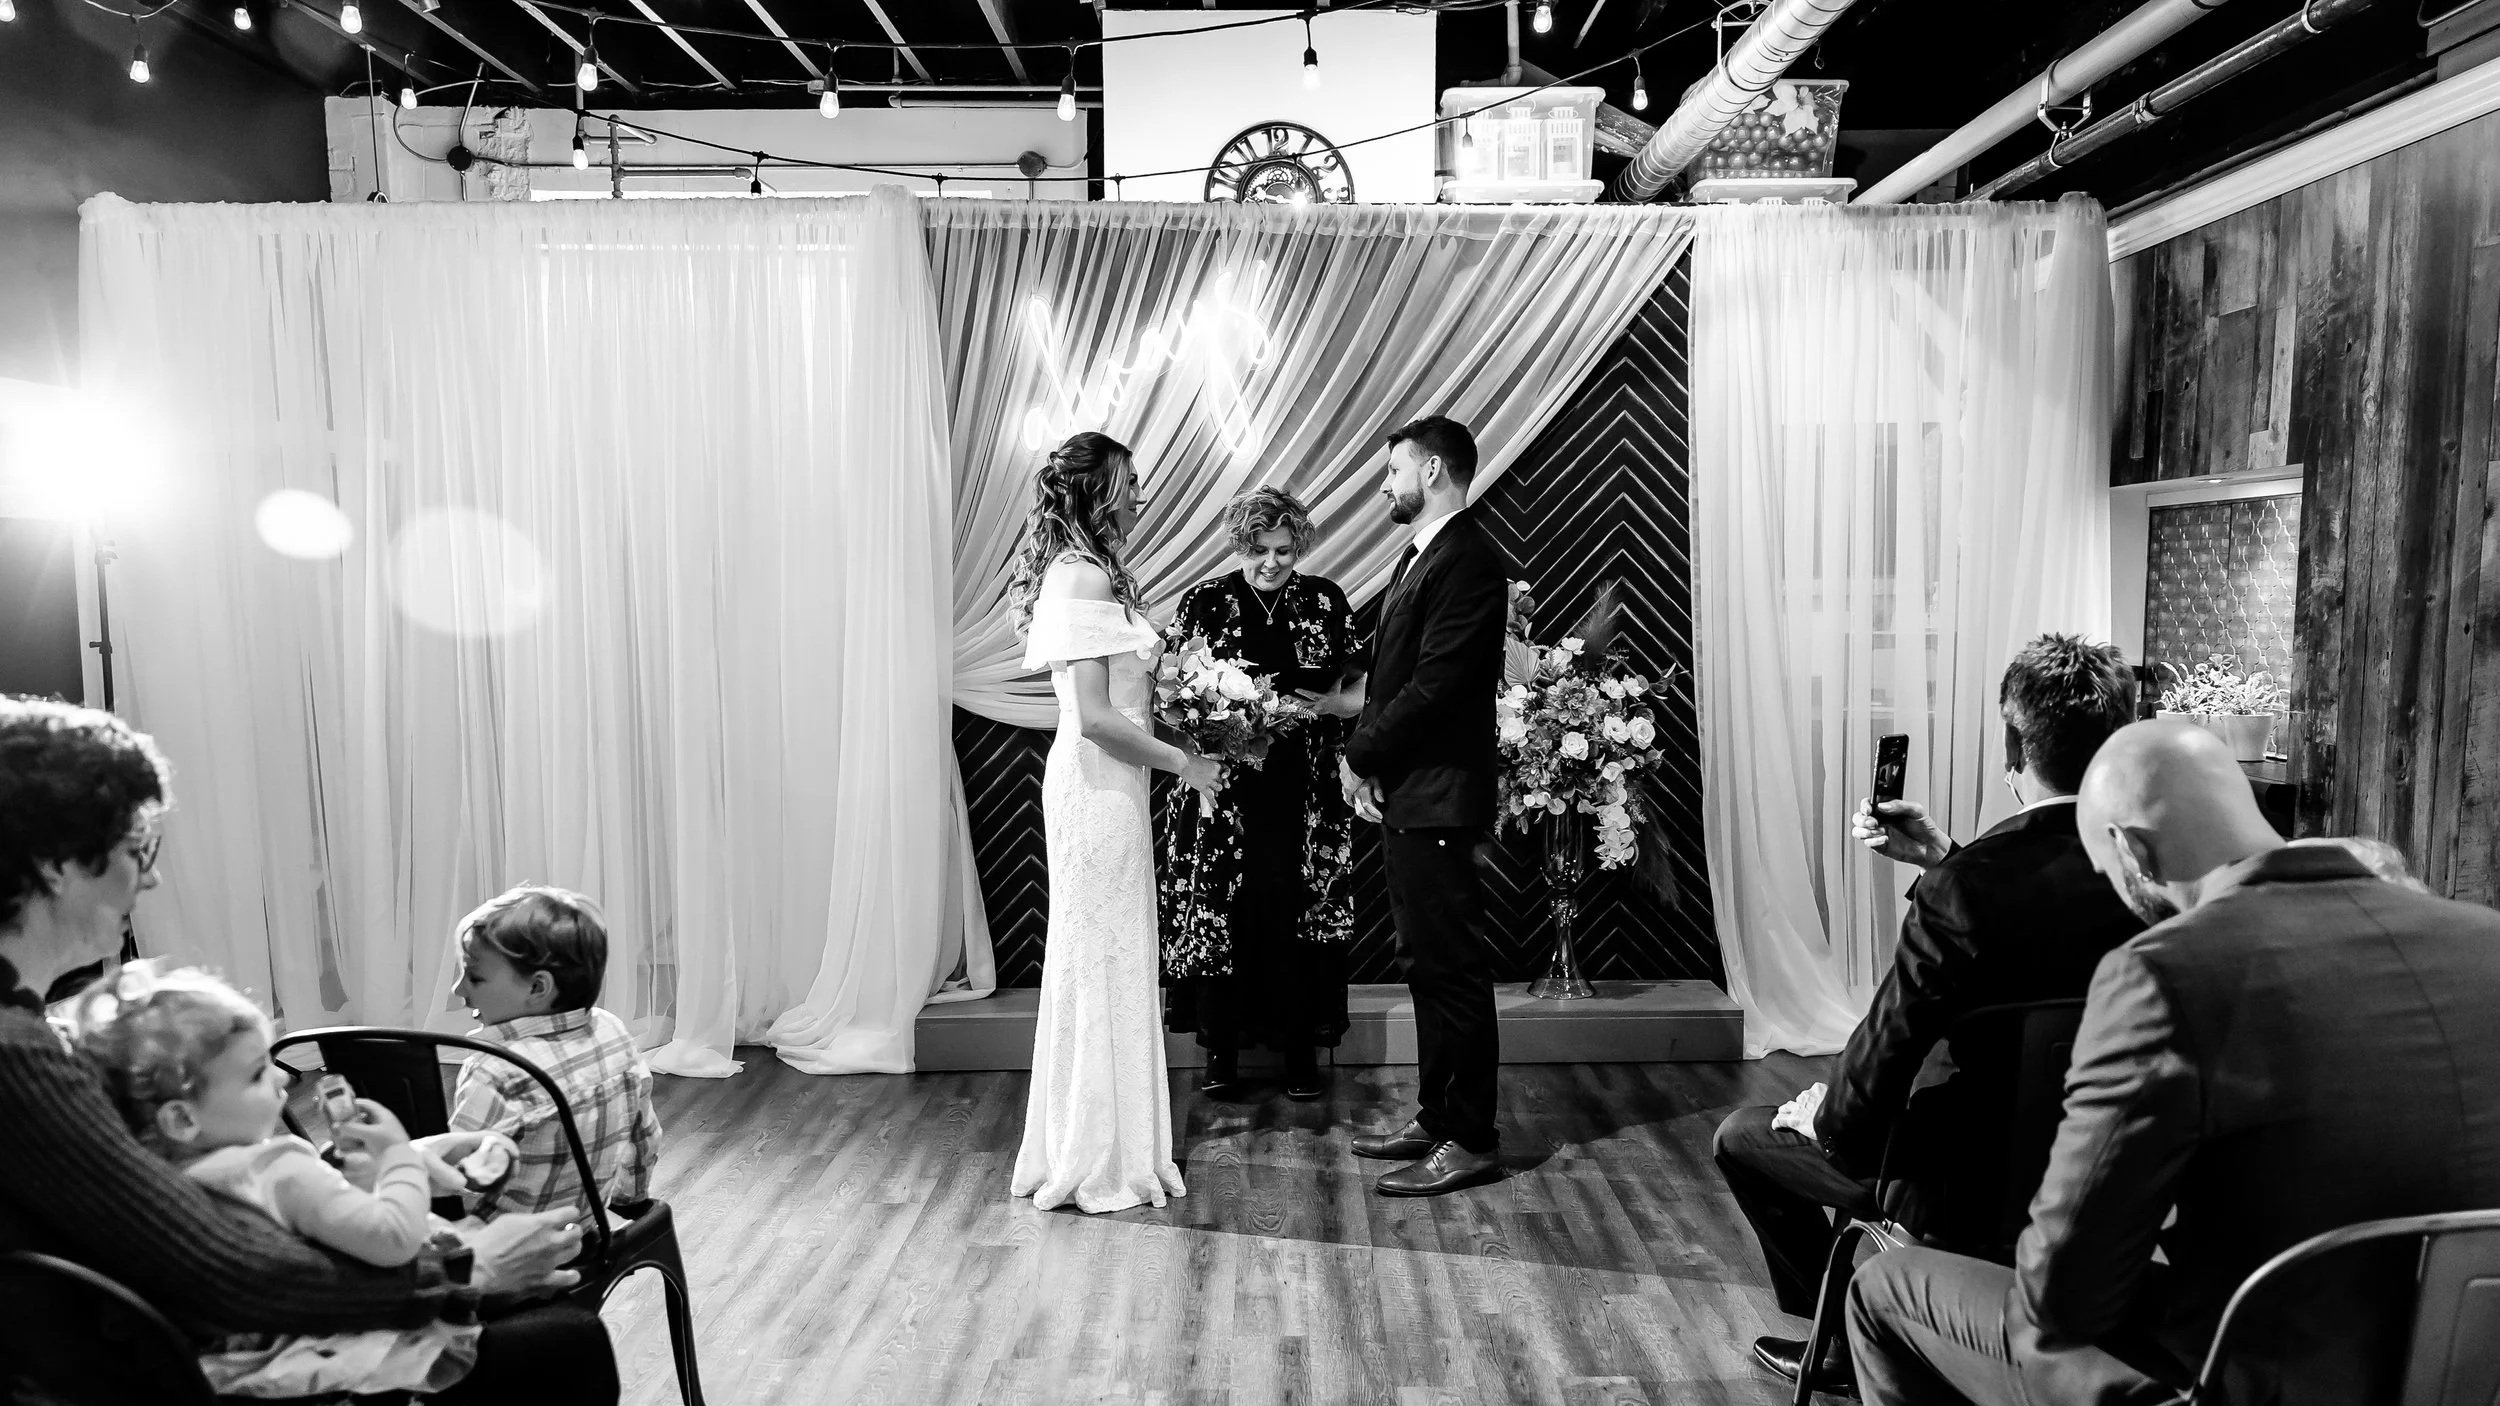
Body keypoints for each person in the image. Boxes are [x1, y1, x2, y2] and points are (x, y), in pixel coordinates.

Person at [1848, 719, 2500, 1406]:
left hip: (2244, 1382)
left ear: (2131, 851)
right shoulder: (2485, 939)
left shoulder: (2164, 975)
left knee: (1886, 1287)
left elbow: (2062, 1297)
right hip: (2465, 1376)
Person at [0, 697, 616, 1404]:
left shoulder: (34, 1031)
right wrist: (466, 1269)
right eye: (139, 847)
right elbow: (220, 1268)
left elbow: (184, 1190)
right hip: (143, 1365)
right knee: (567, 1344)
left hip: (141, 1332)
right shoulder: (19, 1055)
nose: (153, 877)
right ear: (55, 864)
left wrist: (388, 1164)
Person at [1716, 634, 2146, 1390]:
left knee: (1743, 1136)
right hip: (2115, 1163)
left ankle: (1845, 1344)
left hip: (1968, 1177)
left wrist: (1822, 1120)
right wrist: (1945, 858)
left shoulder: (1968, 888)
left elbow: (1884, 1055)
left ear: (2011, 747)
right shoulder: (2153, 873)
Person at [76, 964, 480, 1397]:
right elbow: (394, 1239)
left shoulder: (151, 1180)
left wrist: (353, 1175)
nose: (282, 1076)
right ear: (181, 1119)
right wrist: (401, 1158)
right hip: (349, 1364)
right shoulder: (278, 1167)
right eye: (257, 1073)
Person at [1007, 431, 1221, 1214]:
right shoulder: (1084, 576)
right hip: (1097, 786)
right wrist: (1184, 763)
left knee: (1110, 955)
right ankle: (1097, 1156)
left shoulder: (1085, 570)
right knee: (1101, 958)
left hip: (1110, 786)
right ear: (1098, 491)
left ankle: (1102, 1140)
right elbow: (1097, 718)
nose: (1140, 496)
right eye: (1130, 483)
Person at [1331, 415, 1511, 1198]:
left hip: (1441, 793)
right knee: (1425, 966)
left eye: (1394, 470)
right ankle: (1438, 1117)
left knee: (1453, 970)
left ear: (1432, 470)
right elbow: (1390, 678)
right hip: (1415, 791)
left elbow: (1435, 687)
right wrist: (1372, 763)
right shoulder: (1424, 554)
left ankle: (1470, 1138)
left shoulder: (1467, 559)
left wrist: (1360, 755)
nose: (1385, 486)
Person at [1158, 487, 1362, 1104]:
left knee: (1296, 913)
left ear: (1298, 547)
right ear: (1239, 545)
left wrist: (1330, 706)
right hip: (1225, 790)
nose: (1271, 562)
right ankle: (1222, 1052)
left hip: (1306, 792)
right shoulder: (1204, 602)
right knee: (1231, 912)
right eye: (1258, 550)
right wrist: (1198, 745)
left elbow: (1361, 690)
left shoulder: (1325, 600)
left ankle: (1301, 1051)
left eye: (1283, 550)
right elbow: (1166, 698)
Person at [448, 885, 661, 1219]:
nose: (457, 989)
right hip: (583, 1227)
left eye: (474, 977)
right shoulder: (612, 1030)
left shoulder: (495, 1069)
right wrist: (631, 1199)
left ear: (537, 987)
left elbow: (459, 1181)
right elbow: (643, 1134)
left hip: (507, 1241)